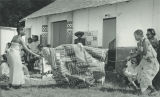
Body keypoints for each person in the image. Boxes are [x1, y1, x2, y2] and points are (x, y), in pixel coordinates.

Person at [6, 25, 40, 89]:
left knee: (15, 69)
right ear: (20, 31)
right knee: (16, 69)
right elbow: (27, 50)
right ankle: (12, 84)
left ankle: (15, 84)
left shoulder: (15, 37)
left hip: (12, 53)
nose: (25, 31)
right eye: (23, 30)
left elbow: (10, 46)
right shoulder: (20, 39)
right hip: (14, 55)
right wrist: (36, 55)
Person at [127, 29, 159, 95]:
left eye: (135, 36)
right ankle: (147, 90)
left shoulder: (145, 41)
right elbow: (139, 52)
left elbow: (144, 52)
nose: (135, 38)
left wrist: (136, 53)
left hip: (151, 61)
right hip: (145, 61)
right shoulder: (139, 43)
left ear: (139, 35)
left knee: (145, 76)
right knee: (139, 73)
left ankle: (150, 91)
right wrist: (130, 57)